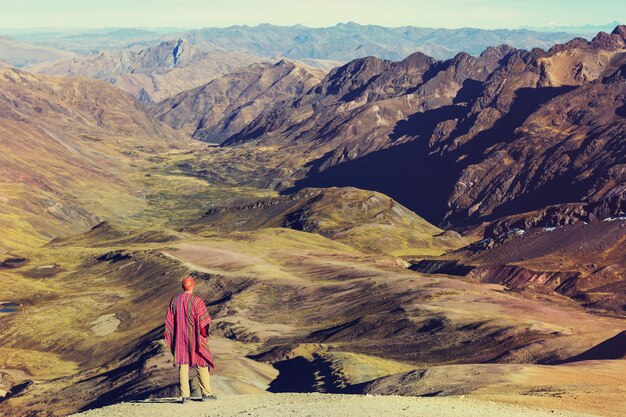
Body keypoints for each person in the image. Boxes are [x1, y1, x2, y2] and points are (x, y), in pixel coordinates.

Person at [164, 275, 216, 403]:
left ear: (183, 286)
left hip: (180, 339)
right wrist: (204, 335)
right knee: (202, 362)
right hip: (196, 339)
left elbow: (169, 322)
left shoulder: (174, 301)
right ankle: (206, 394)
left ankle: (185, 396)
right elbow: (204, 324)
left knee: (183, 364)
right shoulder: (197, 301)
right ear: (193, 285)